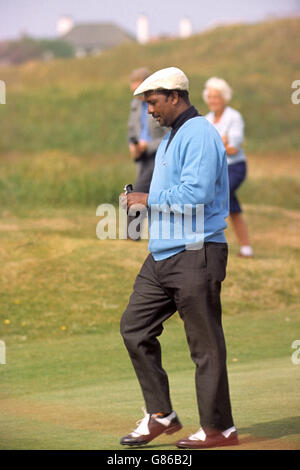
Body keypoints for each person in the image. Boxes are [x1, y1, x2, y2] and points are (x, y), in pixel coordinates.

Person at [119, 67, 238, 449]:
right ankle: (161, 414)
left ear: (174, 96)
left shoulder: (199, 133)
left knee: (204, 345)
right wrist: (138, 201)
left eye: (152, 102)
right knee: (134, 328)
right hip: (163, 255)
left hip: (197, 251)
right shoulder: (171, 137)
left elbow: (198, 193)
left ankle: (220, 429)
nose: (149, 111)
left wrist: (147, 199)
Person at [204, 77, 254, 258]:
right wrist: (221, 142)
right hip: (216, 170)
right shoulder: (206, 120)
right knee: (232, 206)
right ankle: (246, 248)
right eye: (209, 96)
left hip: (234, 168)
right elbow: (204, 149)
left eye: (216, 96)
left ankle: (209, 244)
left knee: (218, 198)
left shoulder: (234, 117)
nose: (212, 100)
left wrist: (217, 145)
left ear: (224, 97)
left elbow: (233, 149)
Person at [127, 67, 169, 240]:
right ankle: (136, 234)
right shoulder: (136, 105)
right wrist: (133, 145)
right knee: (145, 191)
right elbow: (131, 129)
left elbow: (170, 136)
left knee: (139, 190)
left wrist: (148, 146)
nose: (137, 96)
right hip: (141, 155)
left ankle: (132, 235)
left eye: (140, 92)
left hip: (158, 154)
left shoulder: (160, 104)